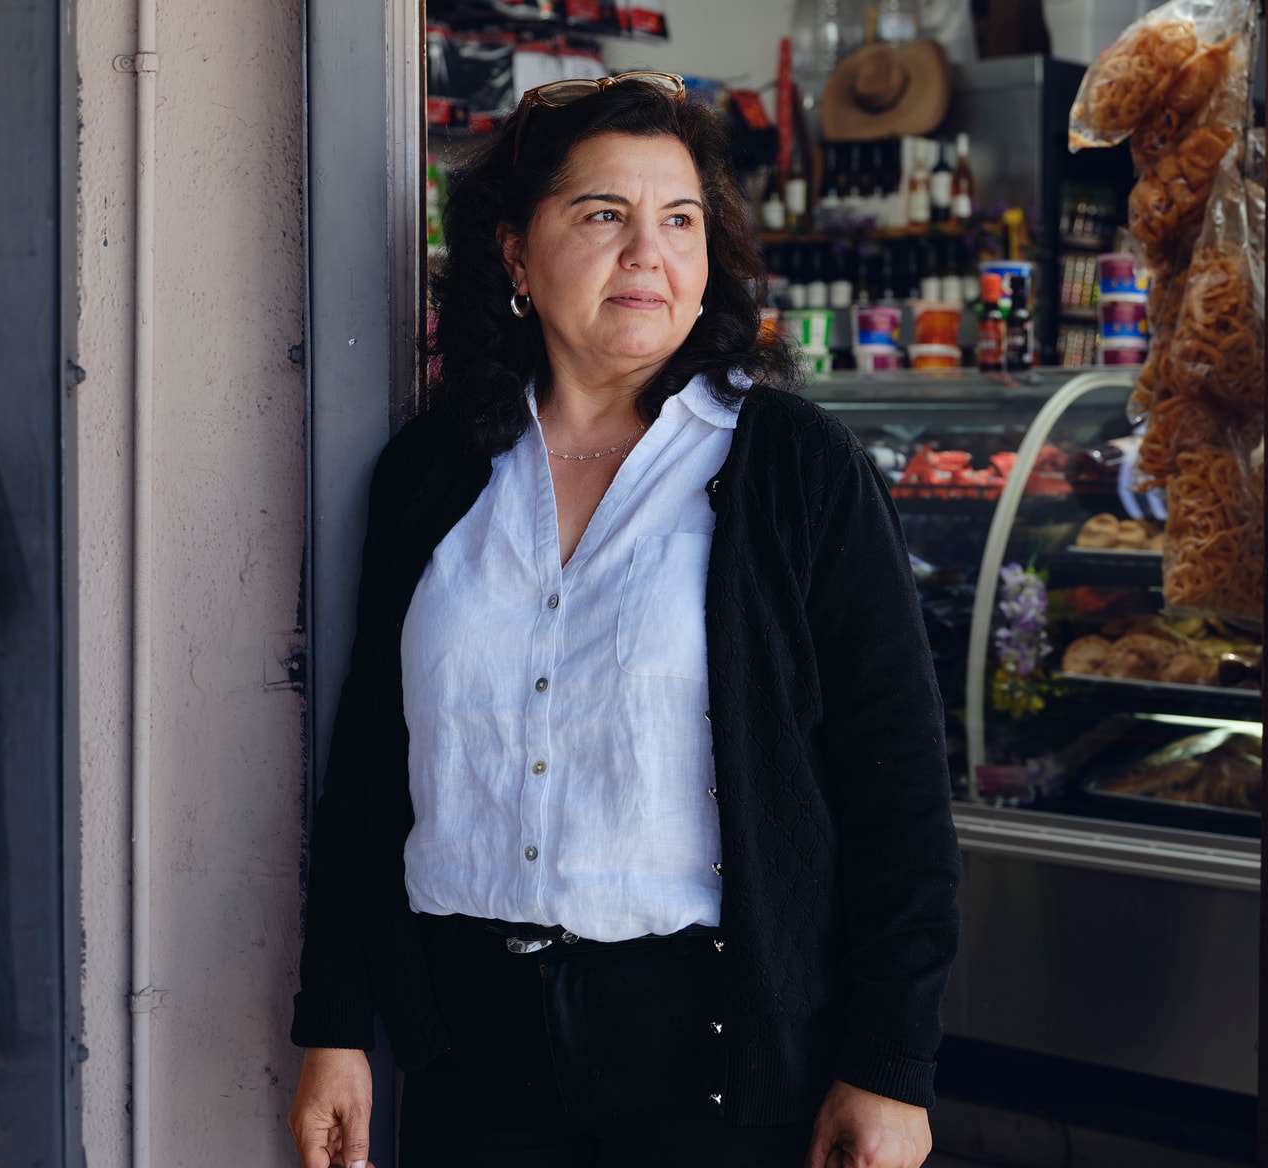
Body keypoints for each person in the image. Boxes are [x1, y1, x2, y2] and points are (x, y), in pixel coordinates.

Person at [286, 72, 959, 1168]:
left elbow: (896, 787)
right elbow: (368, 771)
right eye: (603, 214)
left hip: (710, 1053)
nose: (649, 252)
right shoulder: (432, 473)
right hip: (469, 1051)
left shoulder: (790, 464)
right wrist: (336, 1025)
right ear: (514, 252)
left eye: (681, 220)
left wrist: (891, 1063)